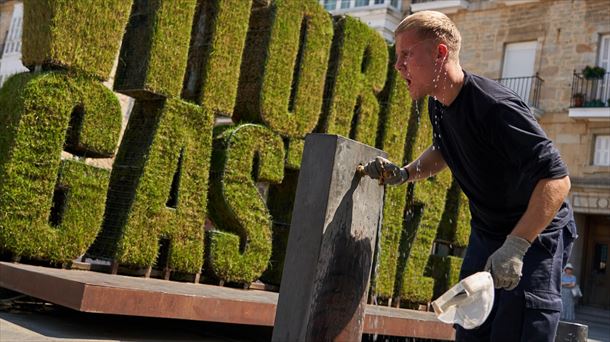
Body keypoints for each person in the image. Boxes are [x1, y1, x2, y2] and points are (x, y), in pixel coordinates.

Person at [363, 10, 577, 341]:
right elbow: (445, 150)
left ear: (440, 53)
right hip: (487, 231)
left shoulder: (495, 107)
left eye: (406, 54)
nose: (398, 66)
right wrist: (404, 174)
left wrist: (517, 246)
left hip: (535, 235)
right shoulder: (439, 104)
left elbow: (557, 180)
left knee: (516, 329)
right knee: (471, 326)